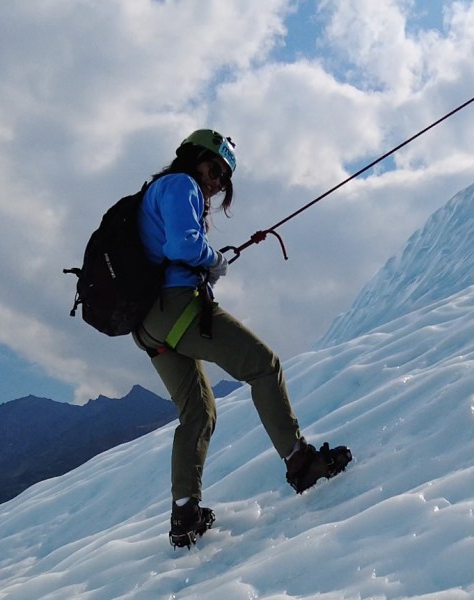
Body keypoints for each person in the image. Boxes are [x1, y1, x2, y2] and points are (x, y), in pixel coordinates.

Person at [132, 129, 351, 548]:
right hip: (178, 307)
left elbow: (169, 246)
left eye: (223, 179)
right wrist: (213, 260)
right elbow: (183, 244)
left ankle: (185, 515)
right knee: (263, 365)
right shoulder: (180, 184)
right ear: (192, 157)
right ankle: (301, 463)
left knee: (198, 413)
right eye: (213, 169)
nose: (215, 182)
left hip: (147, 326)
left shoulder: (152, 195)